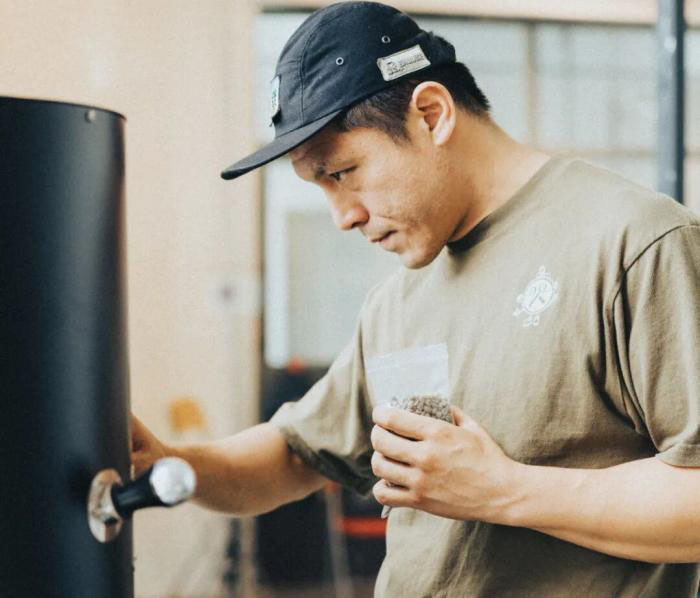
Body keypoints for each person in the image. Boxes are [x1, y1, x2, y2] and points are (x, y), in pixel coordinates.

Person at [131, 2, 700, 596]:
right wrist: (169, 462)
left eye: (342, 173)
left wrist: (505, 491)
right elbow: (299, 455)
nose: (343, 217)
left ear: (431, 115)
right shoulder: (398, 298)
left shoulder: (635, 243)